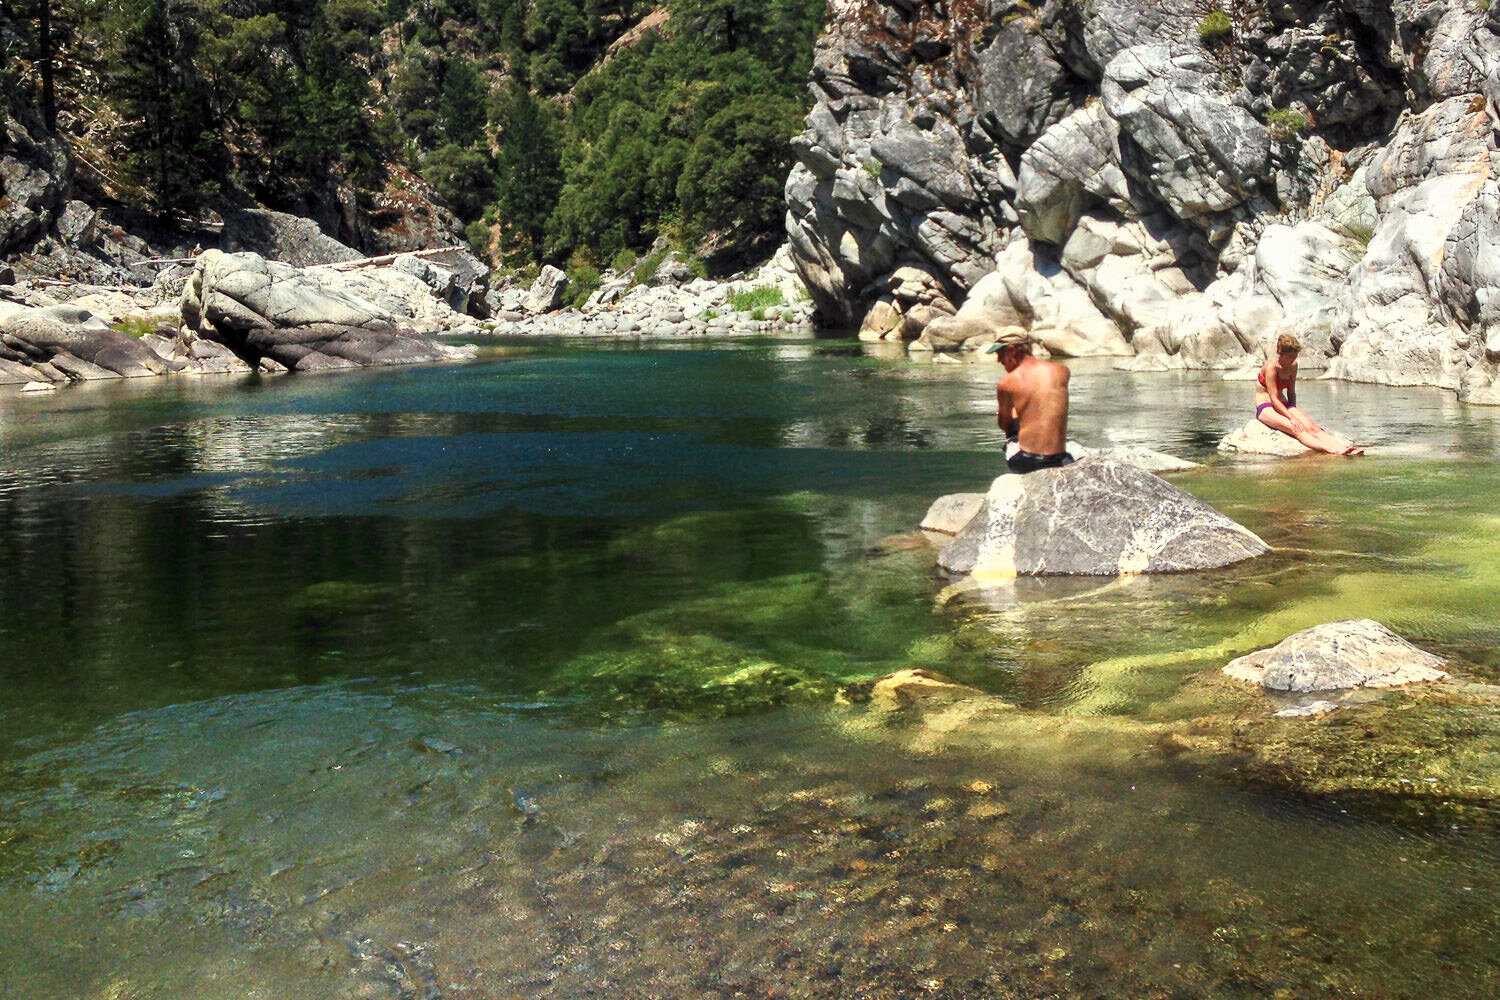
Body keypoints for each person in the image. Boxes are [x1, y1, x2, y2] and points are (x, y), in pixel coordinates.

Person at [1255, 333, 1364, 455]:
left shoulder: (1293, 366)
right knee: (1297, 429)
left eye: (1295, 357)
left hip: (1283, 404)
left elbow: (1291, 392)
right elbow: (1274, 399)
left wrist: (1294, 411)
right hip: (1266, 406)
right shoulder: (1271, 368)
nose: (1292, 360)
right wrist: (1292, 418)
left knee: (1312, 427)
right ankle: (1331, 449)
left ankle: (1343, 446)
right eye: (1290, 357)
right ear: (1281, 354)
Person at [988, 328, 1074, 473]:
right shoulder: (1062, 371)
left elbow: (1004, 425)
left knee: (1011, 431)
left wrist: (1014, 413)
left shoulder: (1007, 382)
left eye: (1000, 354)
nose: (999, 360)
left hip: (1028, 462)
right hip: (1059, 459)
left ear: (1011, 349)